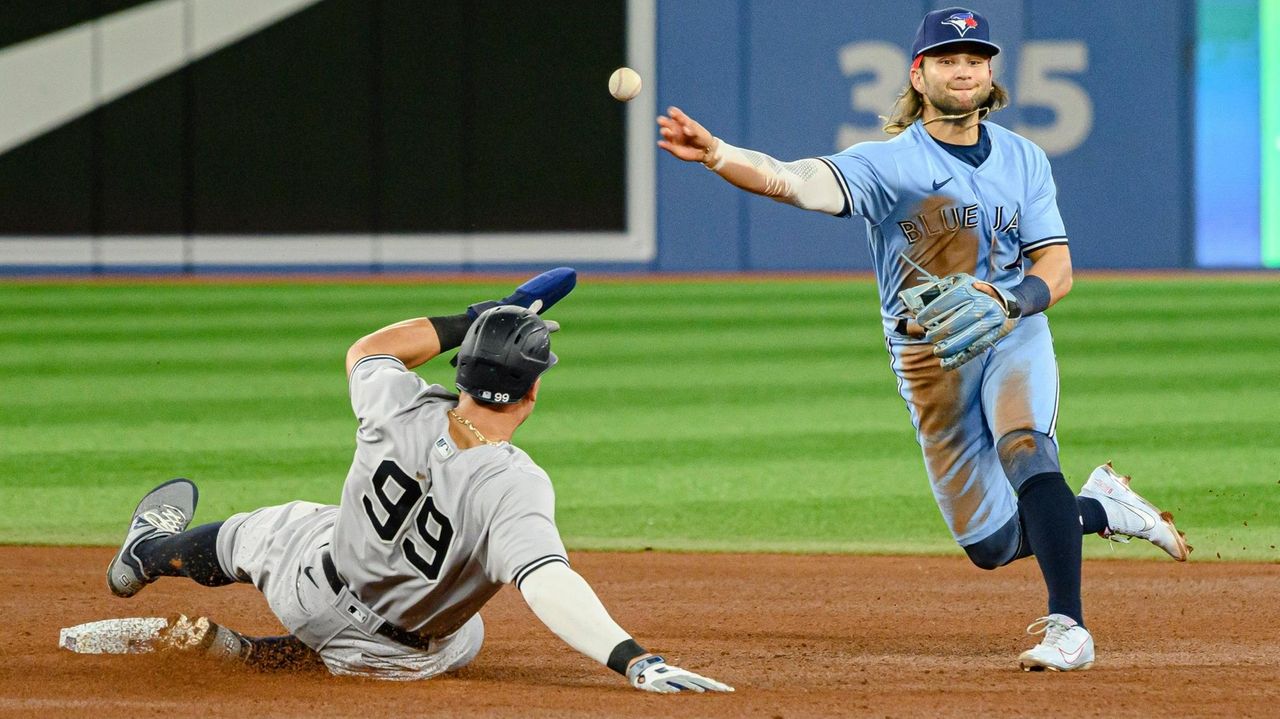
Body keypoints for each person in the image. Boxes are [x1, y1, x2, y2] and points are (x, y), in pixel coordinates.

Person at [656, 7, 1190, 672]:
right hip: (929, 359)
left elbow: (1057, 267)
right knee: (991, 544)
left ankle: (1069, 627)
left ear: (991, 72)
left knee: (1027, 448)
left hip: (1009, 331)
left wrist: (1009, 299)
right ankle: (1105, 508)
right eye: (946, 59)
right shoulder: (889, 165)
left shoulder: (1024, 159)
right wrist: (718, 155)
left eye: (973, 58)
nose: (962, 69)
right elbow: (797, 181)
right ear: (919, 74)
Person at [105, 268, 732, 693]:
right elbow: (546, 583)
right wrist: (634, 661)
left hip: (308, 585)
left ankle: (145, 556)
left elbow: (369, 349)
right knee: (466, 627)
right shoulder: (514, 485)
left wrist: (473, 318)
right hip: (389, 660)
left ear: (461, 371)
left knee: (270, 529)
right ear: (533, 390)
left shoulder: (398, 404)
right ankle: (269, 656)